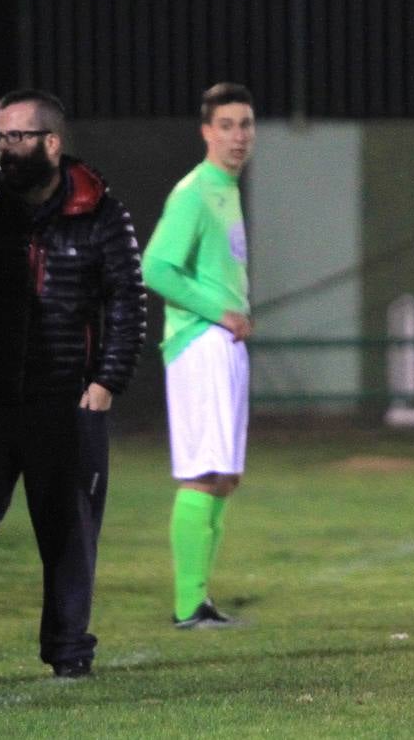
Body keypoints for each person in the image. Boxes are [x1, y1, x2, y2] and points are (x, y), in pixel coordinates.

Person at [0, 89, 146, 682]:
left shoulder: (103, 213)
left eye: (18, 136)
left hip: (64, 399)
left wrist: (106, 381)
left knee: (69, 534)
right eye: (0, 136)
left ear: (52, 143)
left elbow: (127, 299)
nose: (5, 147)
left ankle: (69, 648)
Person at [141, 82, 255, 629]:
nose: (239, 136)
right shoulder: (194, 191)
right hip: (200, 344)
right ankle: (189, 605)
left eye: (246, 124)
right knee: (203, 474)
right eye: (227, 125)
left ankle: (200, 600)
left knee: (225, 478)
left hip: (222, 345)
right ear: (207, 131)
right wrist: (221, 312)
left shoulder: (226, 189)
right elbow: (156, 267)